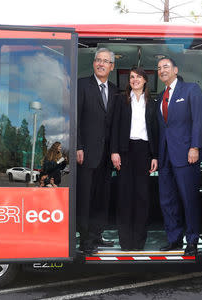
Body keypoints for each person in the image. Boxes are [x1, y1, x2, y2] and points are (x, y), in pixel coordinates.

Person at [156, 57, 202, 256]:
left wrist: (195, 147)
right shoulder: (160, 96)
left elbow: (198, 121)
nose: (162, 70)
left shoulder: (191, 89)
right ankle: (174, 238)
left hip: (186, 154)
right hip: (165, 154)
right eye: (159, 68)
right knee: (168, 200)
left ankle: (192, 240)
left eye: (166, 66)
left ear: (175, 69)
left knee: (189, 198)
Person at [110, 67, 159, 251]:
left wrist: (155, 156)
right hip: (124, 150)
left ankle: (138, 243)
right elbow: (114, 126)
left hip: (144, 151)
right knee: (124, 196)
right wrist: (114, 151)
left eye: (138, 77)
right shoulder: (120, 100)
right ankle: (125, 242)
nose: (135, 80)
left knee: (142, 197)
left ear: (145, 80)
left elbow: (155, 131)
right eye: (132, 77)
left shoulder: (152, 103)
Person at [76, 48, 118, 255]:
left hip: (106, 156)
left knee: (102, 199)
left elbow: (114, 125)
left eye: (105, 61)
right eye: (98, 60)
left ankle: (97, 235)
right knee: (85, 200)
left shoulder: (115, 89)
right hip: (86, 154)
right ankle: (85, 241)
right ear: (93, 63)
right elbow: (75, 119)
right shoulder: (82, 85)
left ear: (112, 66)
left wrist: (116, 151)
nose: (101, 64)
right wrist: (78, 146)